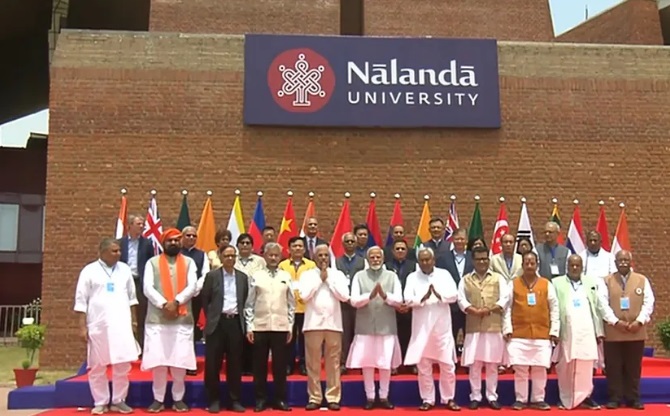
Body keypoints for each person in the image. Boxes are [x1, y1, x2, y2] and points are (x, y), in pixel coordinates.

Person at [74, 237, 141, 415]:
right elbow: (81, 301)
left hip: (122, 324)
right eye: (114, 251)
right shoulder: (89, 271)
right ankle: (100, 401)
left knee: (122, 365)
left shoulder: (125, 269)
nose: (118, 253)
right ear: (102, 252)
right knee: (97, 365)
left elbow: (132, 298)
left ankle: (119, 400)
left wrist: (134, 321)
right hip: (98, 325)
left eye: (119, 250)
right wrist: (82, 327)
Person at [142, 228, 198, 412]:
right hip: (157, 319)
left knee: (179, 362)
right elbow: (147, 287)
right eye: (169, 240)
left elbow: (192, 286)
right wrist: (164, 304)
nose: (173, 243)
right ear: (163, 243)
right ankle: (158, 399)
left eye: (176, 240)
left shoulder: (189, 262)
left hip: (181, 319)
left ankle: (178, 398)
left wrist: (177, 302)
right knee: (158, 362)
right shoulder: (152, 263)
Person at [403, 247, 460, 411]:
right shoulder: (412, 277)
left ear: (434, 260)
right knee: (423, 366)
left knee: (447, 365)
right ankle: (428, 399)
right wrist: (423, 297)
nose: (425, 263)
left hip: (442, 328)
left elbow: (454, 295)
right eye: (422, 260)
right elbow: (407, 299)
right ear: (418, 261)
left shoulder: (444, 274)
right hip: (421, 328)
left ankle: (448, 398)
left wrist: (439, 295)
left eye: (428, 259)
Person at [347, 246, 403, 410]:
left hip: (386, 326)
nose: (375, 260)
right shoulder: (359, 276)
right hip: (365, 326)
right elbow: (354, 300)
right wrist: (369, 296)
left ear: (383, 258)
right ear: (367, 259)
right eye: (372, 257)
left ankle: (384, 396)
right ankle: (370, 397)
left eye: (378, 257)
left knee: (385, 363)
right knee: (367, 363)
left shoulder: (392, 276)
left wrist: (385, 296)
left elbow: (399, 300)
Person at [598, 250, 655, 410]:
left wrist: (639, 321)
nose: (623, 262)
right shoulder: (606, 281)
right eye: (620, 260)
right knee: (613, 367)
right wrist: (615, 322)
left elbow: (649, 302)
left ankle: (633, 398)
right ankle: (614, 398)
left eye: (625, 259)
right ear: (615, 263)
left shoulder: (642, 280)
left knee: (633, 367)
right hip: (613, 332)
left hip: (636, 331)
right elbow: (602, 304)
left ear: (631, 262)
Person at [503, 251, 559, 411]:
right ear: (522, 265)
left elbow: (554, 308)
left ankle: (538, 399)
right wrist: (507, 328)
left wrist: (554, 330)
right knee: (520, 369)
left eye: (532, 263)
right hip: (518, 334)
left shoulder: (546, 284)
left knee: (540, 368)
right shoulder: (513, 284)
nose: (529, 266)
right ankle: (520, 399)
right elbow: (507, 308)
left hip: (542, 334)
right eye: (526, 263)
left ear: (537, 265)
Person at [244, 242, 295, 412]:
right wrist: (250, 326)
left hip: (280, 326)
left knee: (280, 366)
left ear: (281, 257)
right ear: (264, 256)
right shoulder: (256, 276)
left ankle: (280, 399)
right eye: (270, 255)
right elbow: (249, 304)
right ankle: (260, 399)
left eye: (276, 255)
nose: (273, 258)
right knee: (259, 366)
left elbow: (291, 304)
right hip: (260, 326)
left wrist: (290, 326)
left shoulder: (286, 276)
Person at [299, 244, 350, 411]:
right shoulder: (307, 275)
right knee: (312, 363)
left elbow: (344, 296)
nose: (323, 258)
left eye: (325, 255)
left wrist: (328, 279)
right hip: (313, 324)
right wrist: (319, 280)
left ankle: (333, 397)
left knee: (333, 363)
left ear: (329, 257)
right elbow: (304, 296)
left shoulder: (337, 275)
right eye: (320, 255)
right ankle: (314, 397)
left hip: (334, 324)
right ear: (314, 257)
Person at [458, 246, 509, 410]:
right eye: (479, 259)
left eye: (485, 259)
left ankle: (492, 396)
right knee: (475, 365)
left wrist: (490, 309)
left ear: (488, 259)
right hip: (473, 327)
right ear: (473, 261)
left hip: (493, 326)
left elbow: (505, 298)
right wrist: (471, 309)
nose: (482, 262)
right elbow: (461, 299)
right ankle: (475, 396)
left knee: (492, 365)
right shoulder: (465, 279)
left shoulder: (498, 278)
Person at [201, 245, 249, 413]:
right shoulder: (212, 276)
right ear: (220, 257)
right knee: (213, 364)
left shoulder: (242, 277)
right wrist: (212, 317)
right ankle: (213, 400)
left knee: (235, 364)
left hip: (235, 323)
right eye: (227, 255)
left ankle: (234, 400)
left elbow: (245, 299)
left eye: (232, 256)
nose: (230, 258)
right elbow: (205, 299)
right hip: (217, 324)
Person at [552, 255, 603, 410]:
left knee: (586, 366)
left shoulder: (591, 282)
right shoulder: (557, 283)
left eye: (577, 265)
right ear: (567, 266)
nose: (574, 268)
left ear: (582, 267)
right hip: (567, 332)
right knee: (566, 366)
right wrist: (555, 331)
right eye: (572, 265)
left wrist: (599, 331)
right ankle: (566, 398)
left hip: (586, 331)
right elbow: (554, 308)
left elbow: (597, 307)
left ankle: (585, 396)